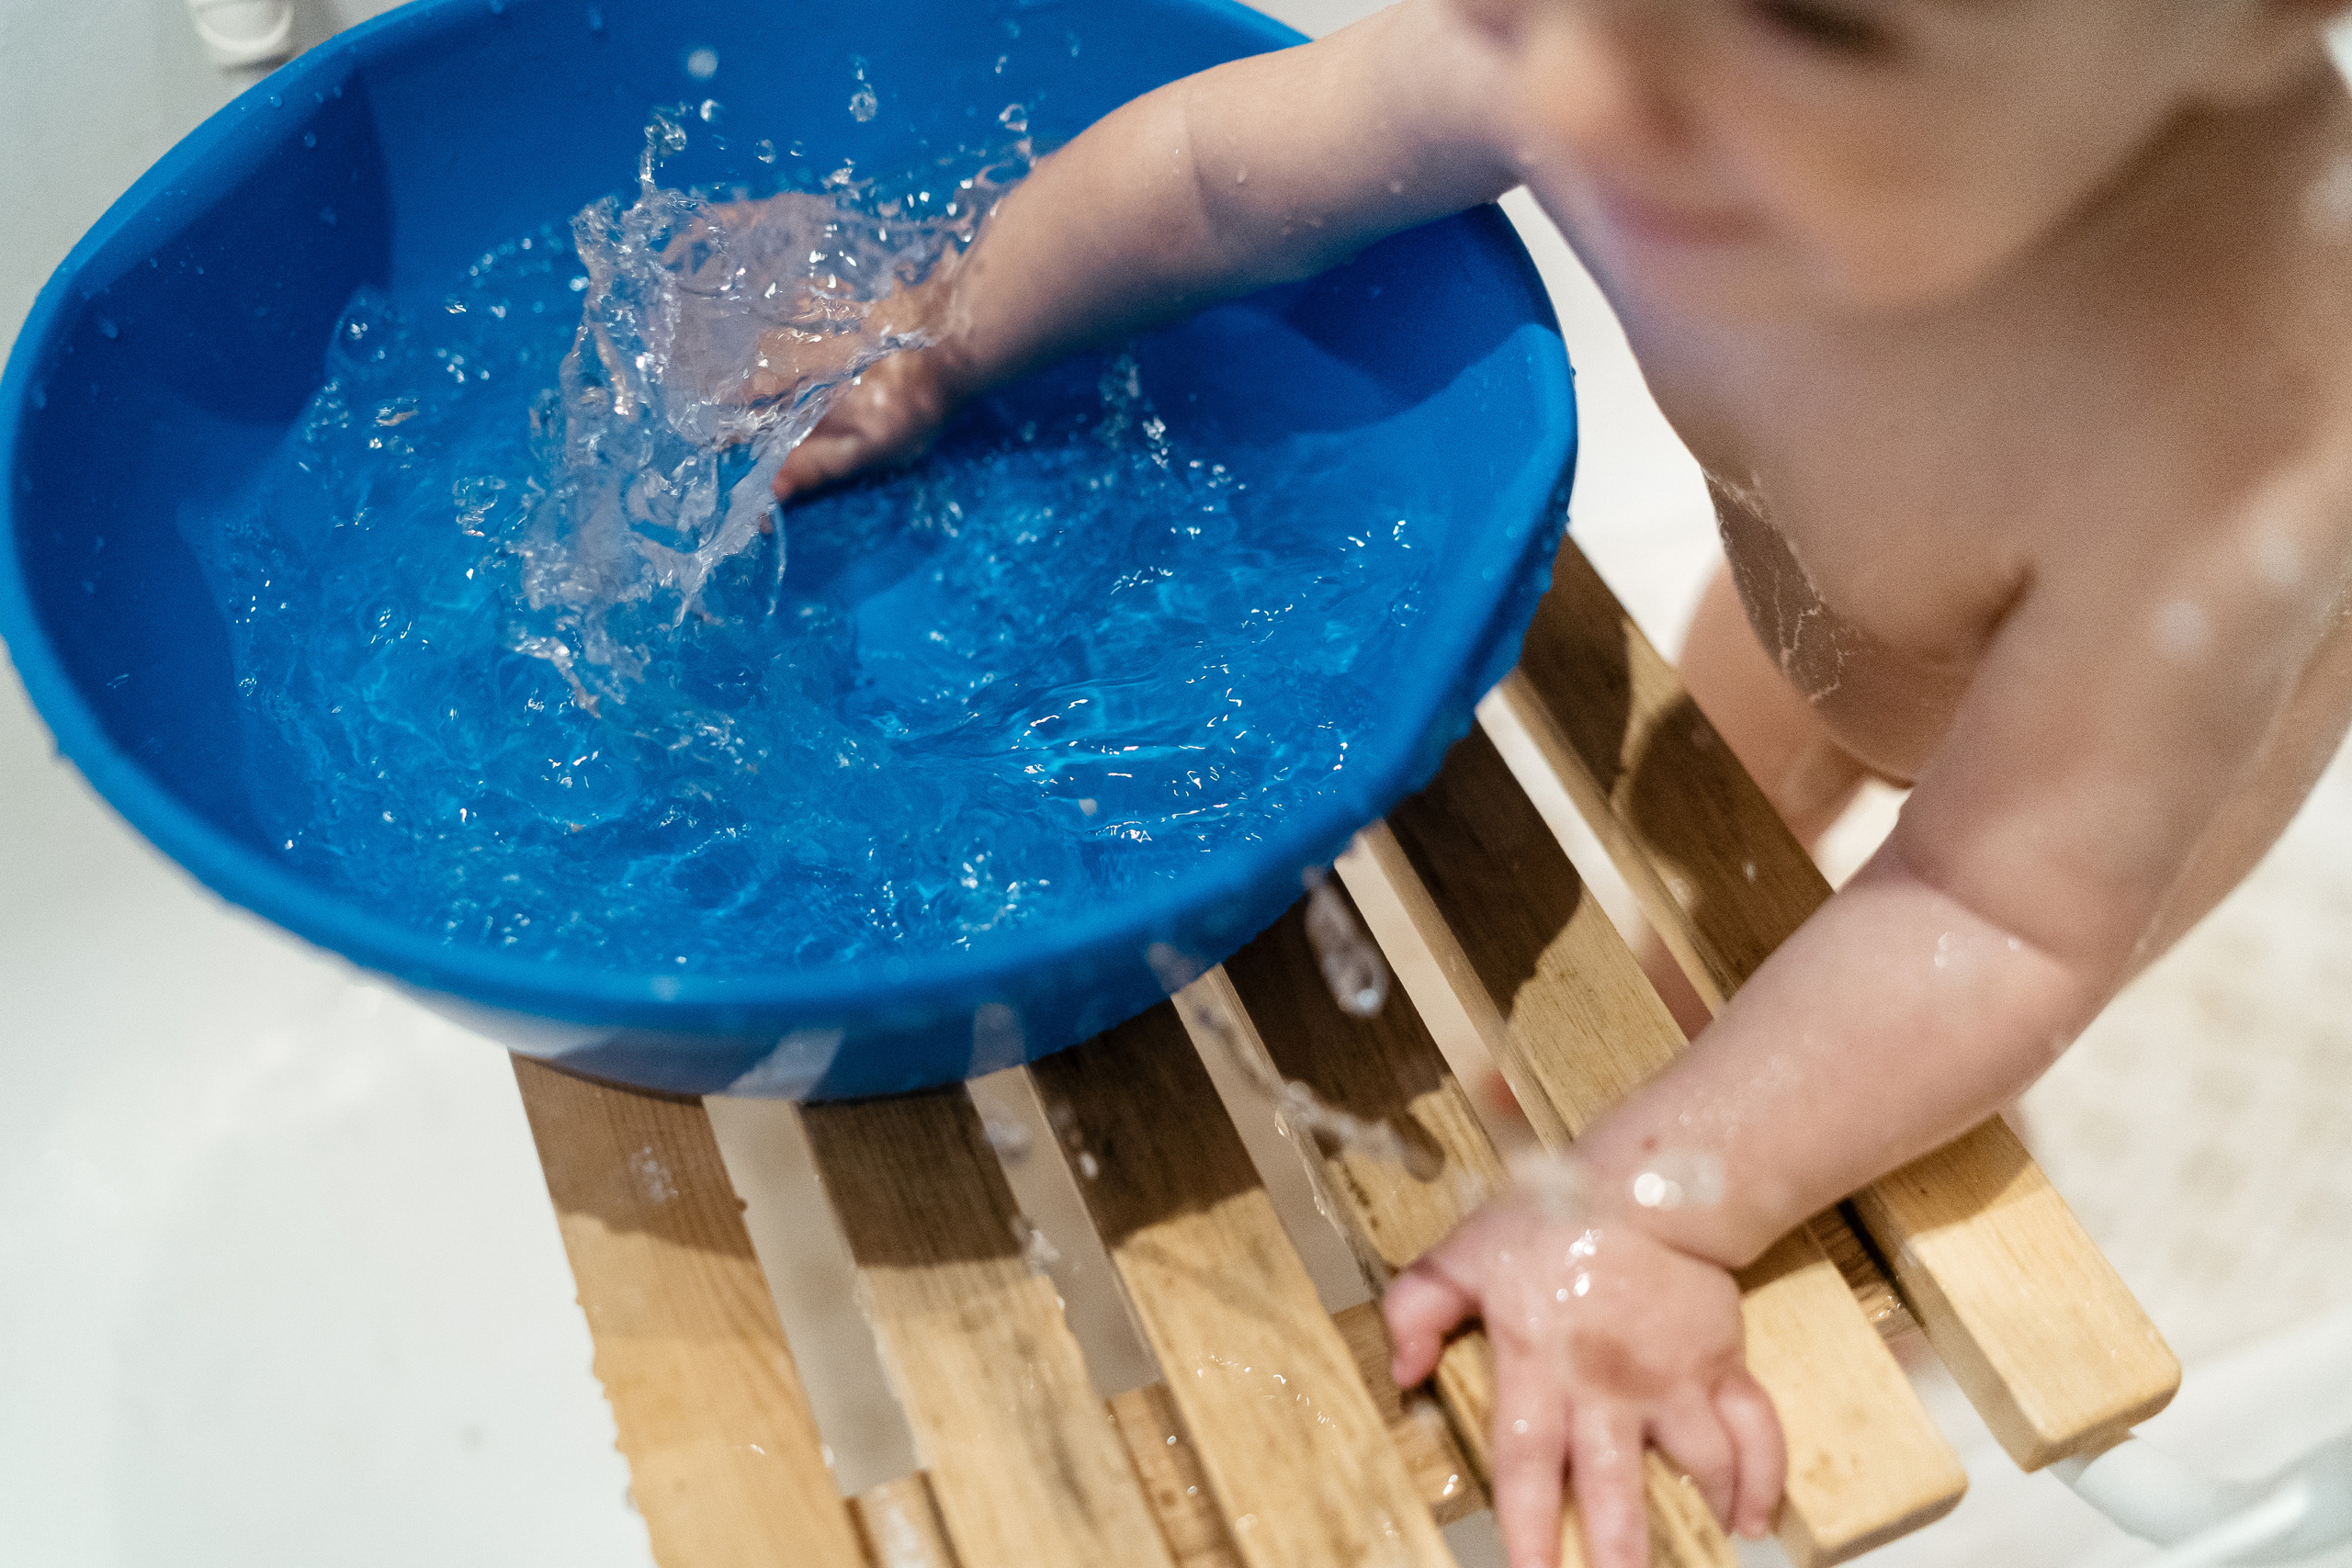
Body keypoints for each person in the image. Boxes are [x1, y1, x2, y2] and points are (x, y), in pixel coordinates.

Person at [740, 4, 2352, 1564]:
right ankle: (1698, 1008)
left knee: (1919, 1020)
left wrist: (1656, 1212)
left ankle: (1769, 1141)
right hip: (1835, 586)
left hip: (2100, 772)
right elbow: (1223, 180)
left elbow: (1997, 920)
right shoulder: (1649, 44)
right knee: (1724, 795)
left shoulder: (2248, 427)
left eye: (1821, 23)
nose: (1573, 104)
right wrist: (940, 328)